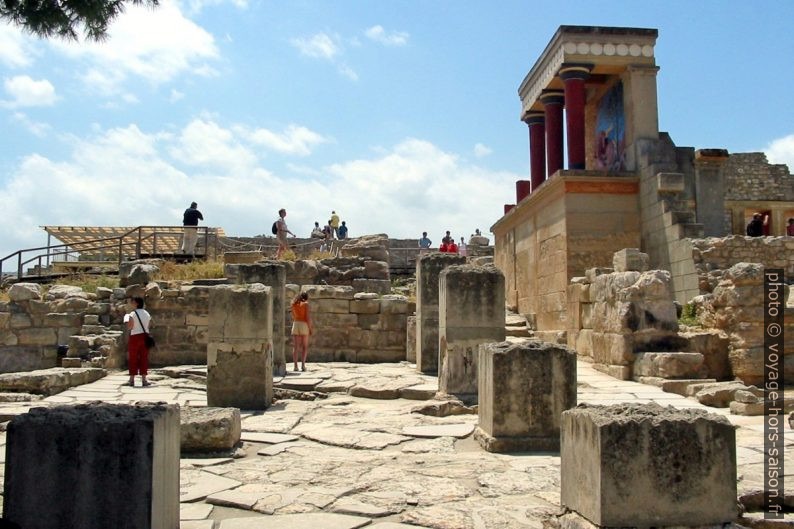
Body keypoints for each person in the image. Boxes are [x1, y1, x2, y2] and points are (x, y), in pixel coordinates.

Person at [123, 297, 152, 387]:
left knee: (133, 357)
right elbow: (150, 325)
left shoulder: (132, 314)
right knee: (144, 357)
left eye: (132, 302)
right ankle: (144, 379)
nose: (131, 304)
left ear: (136, 303)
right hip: (145, 336)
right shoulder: (147, 313)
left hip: (135, 336)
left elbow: (130, 326)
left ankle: (132, 379)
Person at [291, 292, 313, 372]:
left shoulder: (293, 304)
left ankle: (295, 366)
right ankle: (303, 365)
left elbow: (293, 316)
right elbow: (307, 317)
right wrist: (310, 328)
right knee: (304, 346)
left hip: (296, 324)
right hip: (303, 324)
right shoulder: (306, 304)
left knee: (296, 347)